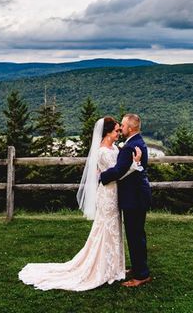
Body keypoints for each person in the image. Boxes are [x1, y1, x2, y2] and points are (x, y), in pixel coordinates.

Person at [18, 116, 142, 291]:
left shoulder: (113, 147)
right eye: (116, 130)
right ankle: (102, 268)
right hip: (108, 194)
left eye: (119, 129)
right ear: (107, 133)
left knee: (114, 229)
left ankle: (114, 267)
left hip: (115, 193)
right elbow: (117, 172)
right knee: (106, 228)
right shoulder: (102, 152)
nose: (119, 132)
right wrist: (134, 164)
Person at [99, 113, 152, 287]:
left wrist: (101, 177)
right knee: (136, 234)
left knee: (135, 235)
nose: (121, 128)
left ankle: (141, 275)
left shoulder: (131, 147)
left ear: (130, 128)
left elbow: (119, 171)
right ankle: (138, 269)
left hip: (134, 198)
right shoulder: (136, 142)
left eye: (122, 125)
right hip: (137, 195)